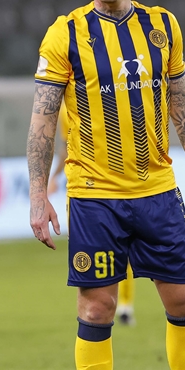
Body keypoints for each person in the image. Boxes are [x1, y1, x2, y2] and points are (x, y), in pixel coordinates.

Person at [27, 0, 185, 370]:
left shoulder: (163, 26)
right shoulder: (65, 34)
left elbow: (183, 106)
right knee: (96, 308)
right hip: (94, 196)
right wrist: (38, 193)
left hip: (157, 190)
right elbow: (43, 119)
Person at [48, 102, 137, 327]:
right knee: (107, 252)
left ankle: (120, 306)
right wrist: (55, 177)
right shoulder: (65, 110)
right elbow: (66, 147)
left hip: (105, 186)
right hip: (89, 190)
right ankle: (107, 307)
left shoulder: (81, 103)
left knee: (118, 248)